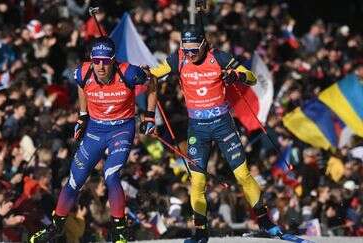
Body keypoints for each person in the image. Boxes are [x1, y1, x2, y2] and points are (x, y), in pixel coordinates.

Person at [150, 23, 282, 242]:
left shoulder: (218, 57)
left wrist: (236, 75)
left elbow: (251, 77)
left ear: (203, 44)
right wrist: (141, 74)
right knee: (197, 182)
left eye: (194, 49)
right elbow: (153, 74)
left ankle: (265, 222)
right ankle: (201, 232)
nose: (190, 54)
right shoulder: (179, 58)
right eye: (186, 48)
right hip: (198, 129)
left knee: (242, 175)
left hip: (223, 125)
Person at [29, 37, 157, 243]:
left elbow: (152, 82)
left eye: (105, 61)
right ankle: (56, 227)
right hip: (95, 130)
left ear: (113, 60)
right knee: (74, 180)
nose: (100, 66)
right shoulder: (84, 71)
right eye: (96, 60)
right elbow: (82, 85)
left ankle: (120, 230)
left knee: (111, 175)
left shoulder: (129, 73)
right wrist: (82, 115)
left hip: (121, 129)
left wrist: (150, 116)